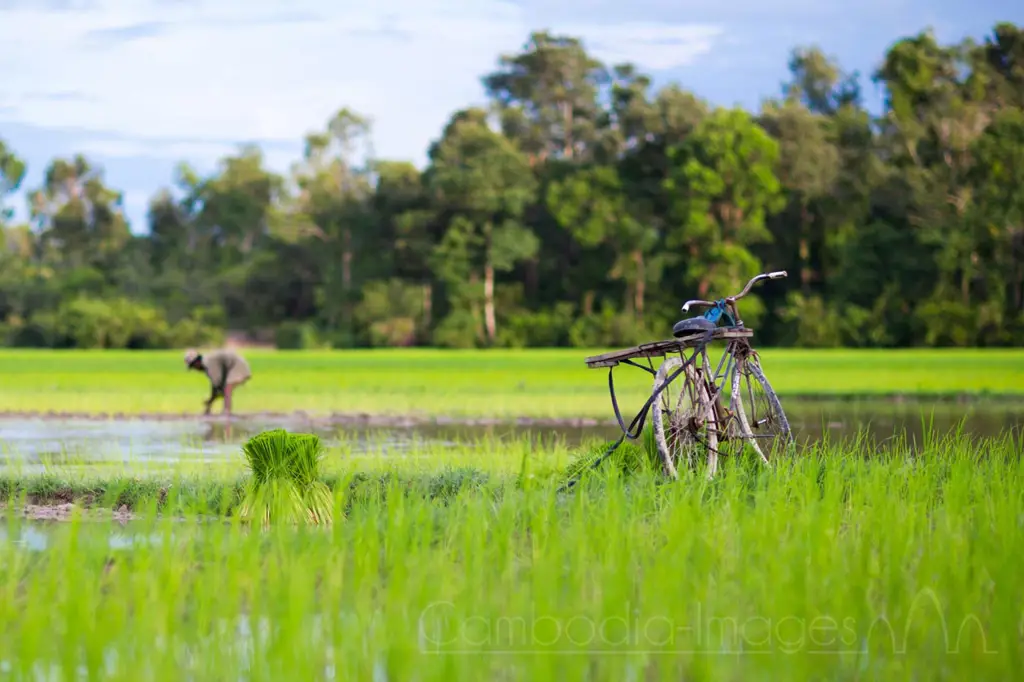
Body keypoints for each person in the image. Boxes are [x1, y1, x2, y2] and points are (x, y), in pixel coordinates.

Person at [184, 348, 252, 416]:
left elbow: (217, 383)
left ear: (197, 361)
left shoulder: (208, 363)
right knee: (224, 388)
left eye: (192, 366)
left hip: (237, 366)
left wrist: (210, 399)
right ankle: (216, 411)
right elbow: (215, 385)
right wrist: (211, 399)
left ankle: (226, 412)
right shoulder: (207, 363)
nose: (194, 369)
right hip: (231, 367)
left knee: (227, 387)